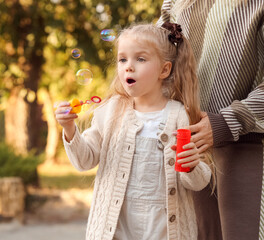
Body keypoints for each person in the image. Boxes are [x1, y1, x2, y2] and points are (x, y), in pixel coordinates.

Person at [55, 23, 211, 240]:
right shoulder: (110, 111)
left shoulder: (180, 116)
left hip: (164, 231)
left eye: (140, 59)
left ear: (164, 70)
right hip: (117, 229)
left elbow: (198, 182)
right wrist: (69, 128)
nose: (128, 66)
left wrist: (192, 165)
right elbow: (84, 160)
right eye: (122, 59)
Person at [157, 0, 264, 239]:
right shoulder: (174, 2)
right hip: (189, 149)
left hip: (249, 149)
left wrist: (226, 122)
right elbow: (155, 55)